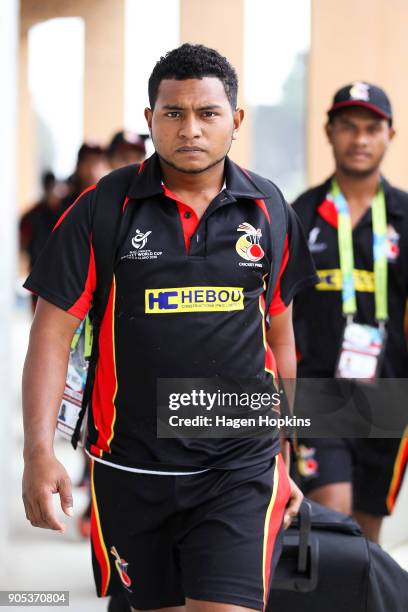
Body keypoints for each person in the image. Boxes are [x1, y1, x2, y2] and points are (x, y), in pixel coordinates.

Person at [22, 44, 317, 612]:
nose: (190, 129)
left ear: (235, 120)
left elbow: (279, 336)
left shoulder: (270, 209)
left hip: (240, 467)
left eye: (207, 114)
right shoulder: (102, 208)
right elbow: (52, 333)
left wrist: (284, 453)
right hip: (131, 468)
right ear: (149, 119)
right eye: (173, 113)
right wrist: (40, 451)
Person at [292, 82, 408, 543]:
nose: (360, 139)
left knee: (366, 537)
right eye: (348, 127)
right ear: (329, 131)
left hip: (388, 396)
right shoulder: (300, 214)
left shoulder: (404, 216)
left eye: (371, 128)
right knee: (331, 520)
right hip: (318, 392)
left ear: (390, 135)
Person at [19, 171, 67, 312]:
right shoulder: (35, 214)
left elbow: (23, 243)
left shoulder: (33, 214)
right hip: (46, 271)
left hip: (44, 271)